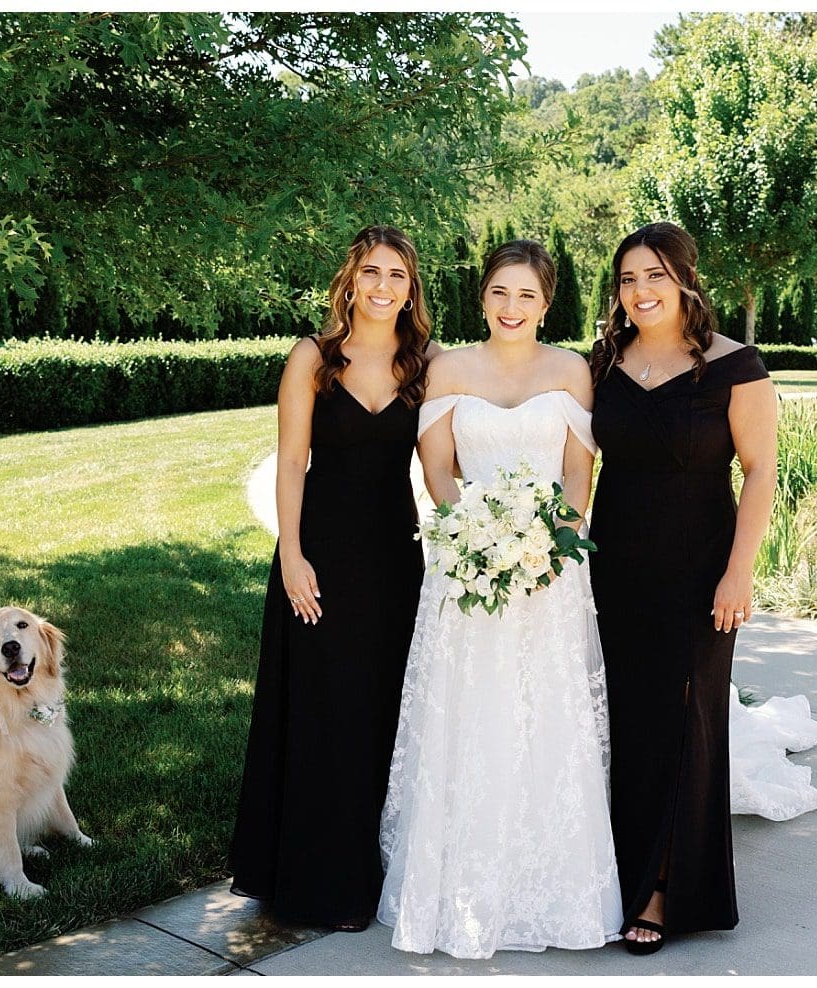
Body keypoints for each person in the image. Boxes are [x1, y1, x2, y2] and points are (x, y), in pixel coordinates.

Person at [375, 240, 623, 958]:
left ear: (547, 304)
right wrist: (475, 538)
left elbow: (580, 474)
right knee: (470, 716)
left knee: (546, 719)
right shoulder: (447, 367)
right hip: (466, 567)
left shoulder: (571, 371)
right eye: (499, 294)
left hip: (551, 576)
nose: (511, 309)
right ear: (481, 297)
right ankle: (457, 887)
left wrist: (554, 546)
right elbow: (438, 469)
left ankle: (549, 889)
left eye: (527, 296)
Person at [229, 225, 438, 931]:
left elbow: (447, 459)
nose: (383, 287)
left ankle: (366, 866)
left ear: (412, 289)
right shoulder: (312, 358)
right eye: (372, 272)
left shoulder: (427, 363)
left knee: (378, 710)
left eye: (398, 276)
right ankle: (313, 879)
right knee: (319, 709)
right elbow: (290, 463)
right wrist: (291, 553)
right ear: (349, 280)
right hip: (318, 554)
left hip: (394, 558)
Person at [588, 222, 778, 954]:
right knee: (631, 724)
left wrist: (739, 571)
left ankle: (666, 888)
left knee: (687, 722)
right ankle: (623, 871)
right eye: (629, 279)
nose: (640, 292)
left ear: (686, 280)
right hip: (616, 566)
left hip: (701, 567)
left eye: (655, 276)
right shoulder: (604, 361)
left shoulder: (735, 366)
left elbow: (759, 470)